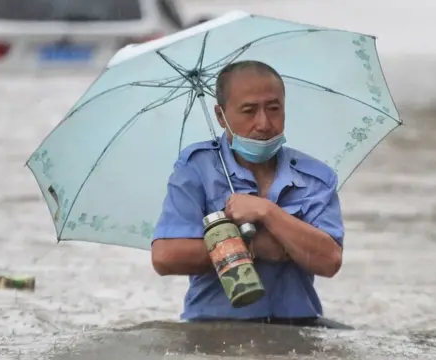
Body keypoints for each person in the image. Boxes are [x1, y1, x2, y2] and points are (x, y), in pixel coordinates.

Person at [150, 60, 351, 329]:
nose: (264, 123)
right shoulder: (196, 170)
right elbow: (165, 256)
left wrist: (267, 212)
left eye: (274, 109)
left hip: (299, 327)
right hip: (214, 327)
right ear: (221, 116)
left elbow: (330, 261)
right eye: (249, 111)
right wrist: (251, 246)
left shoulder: (316, 177)